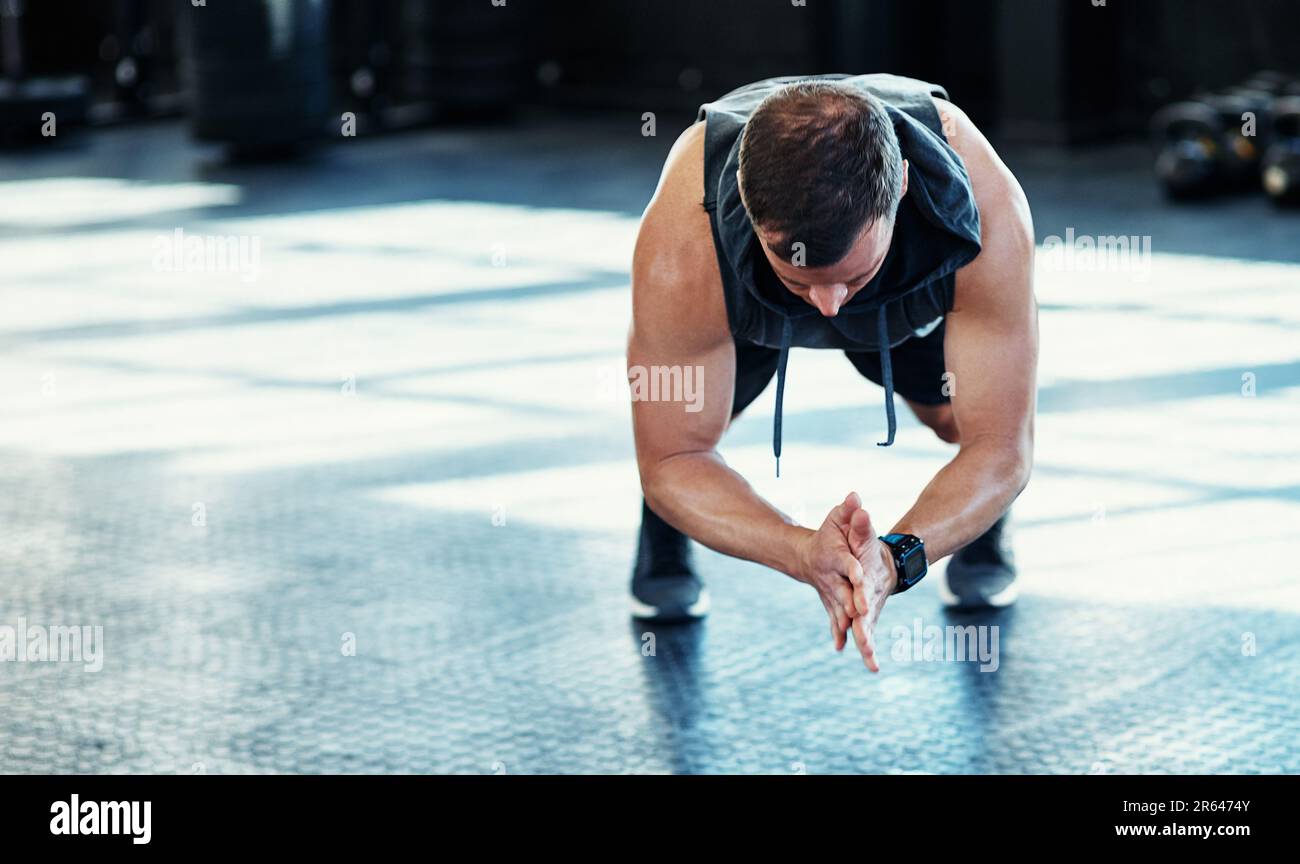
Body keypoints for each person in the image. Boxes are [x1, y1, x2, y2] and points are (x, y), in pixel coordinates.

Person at [627, 74, 1038, 671]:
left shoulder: (982, 205)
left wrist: (897, 558)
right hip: (748, 302)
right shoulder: (686, 238)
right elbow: (670, 463)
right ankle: (665, 534)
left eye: (850, 276)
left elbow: (1001, 448)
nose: (829, 306)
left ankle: (976, 527)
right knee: (686, 437)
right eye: (804, 282)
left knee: (963, 419)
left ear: (898, 185)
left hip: (906, 296)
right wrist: (801, 552)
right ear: (744, 202)